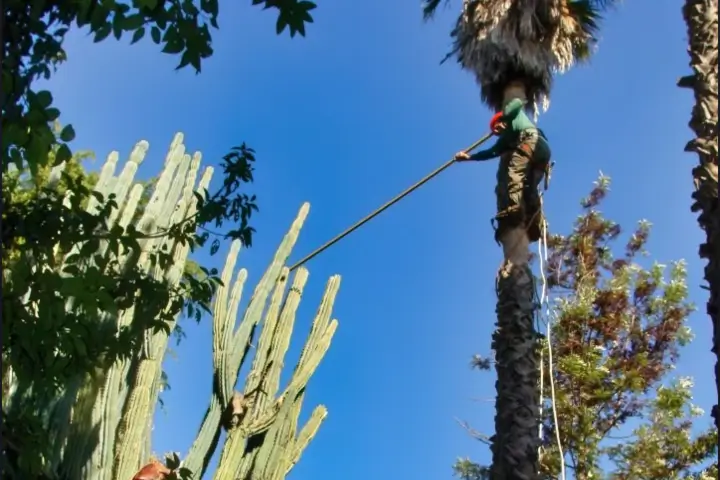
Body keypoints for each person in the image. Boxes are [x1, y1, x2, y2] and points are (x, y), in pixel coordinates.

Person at [454, 84, 551, 244]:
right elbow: (490, 152)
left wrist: (504, 114)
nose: (498, 130)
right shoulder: (506, 139)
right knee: (529, 187)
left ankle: (515, 207)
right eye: (496, 130)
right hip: (541, 155)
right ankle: (534, 220)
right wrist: (468, 157)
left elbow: (518, 103)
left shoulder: (513, 116)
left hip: (532, 141)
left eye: (498, 126)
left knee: (514, 171)